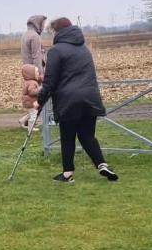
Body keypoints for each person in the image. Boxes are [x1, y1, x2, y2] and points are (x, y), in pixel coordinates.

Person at [36, 17, 118, 183]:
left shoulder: (56, 51)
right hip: (90, 98)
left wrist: (40, 101)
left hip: (68, 101)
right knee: (88, 136)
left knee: (67, 137)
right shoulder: (84, 49)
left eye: (52, 31)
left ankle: (67, 174)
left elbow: (50, 81)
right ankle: (102, 164)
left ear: (57, 31)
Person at [19, 15, 46, 128]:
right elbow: (36, 56)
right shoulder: (35, 37)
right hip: (35, 72)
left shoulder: (25, 35)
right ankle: (31, 120)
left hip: (28, 70)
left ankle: (25, 119)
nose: (44, 26)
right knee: (41, 96)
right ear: (37, 23)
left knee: (35, 98)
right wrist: (40, 74)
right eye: (43, 23)